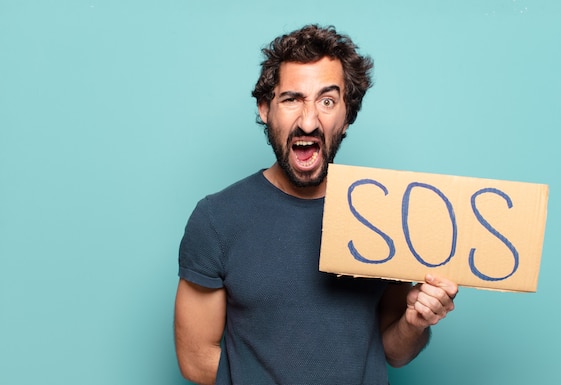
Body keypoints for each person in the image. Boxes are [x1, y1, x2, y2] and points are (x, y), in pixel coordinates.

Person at [174, 24, 458, 385]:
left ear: (347, 115)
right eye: (291, 99)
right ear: (265, 109)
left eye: (327, 101)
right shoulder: (217, 219)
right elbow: (196, 358)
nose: (308, 121)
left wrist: (414, 323)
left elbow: (395, 351)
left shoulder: (383, 214)